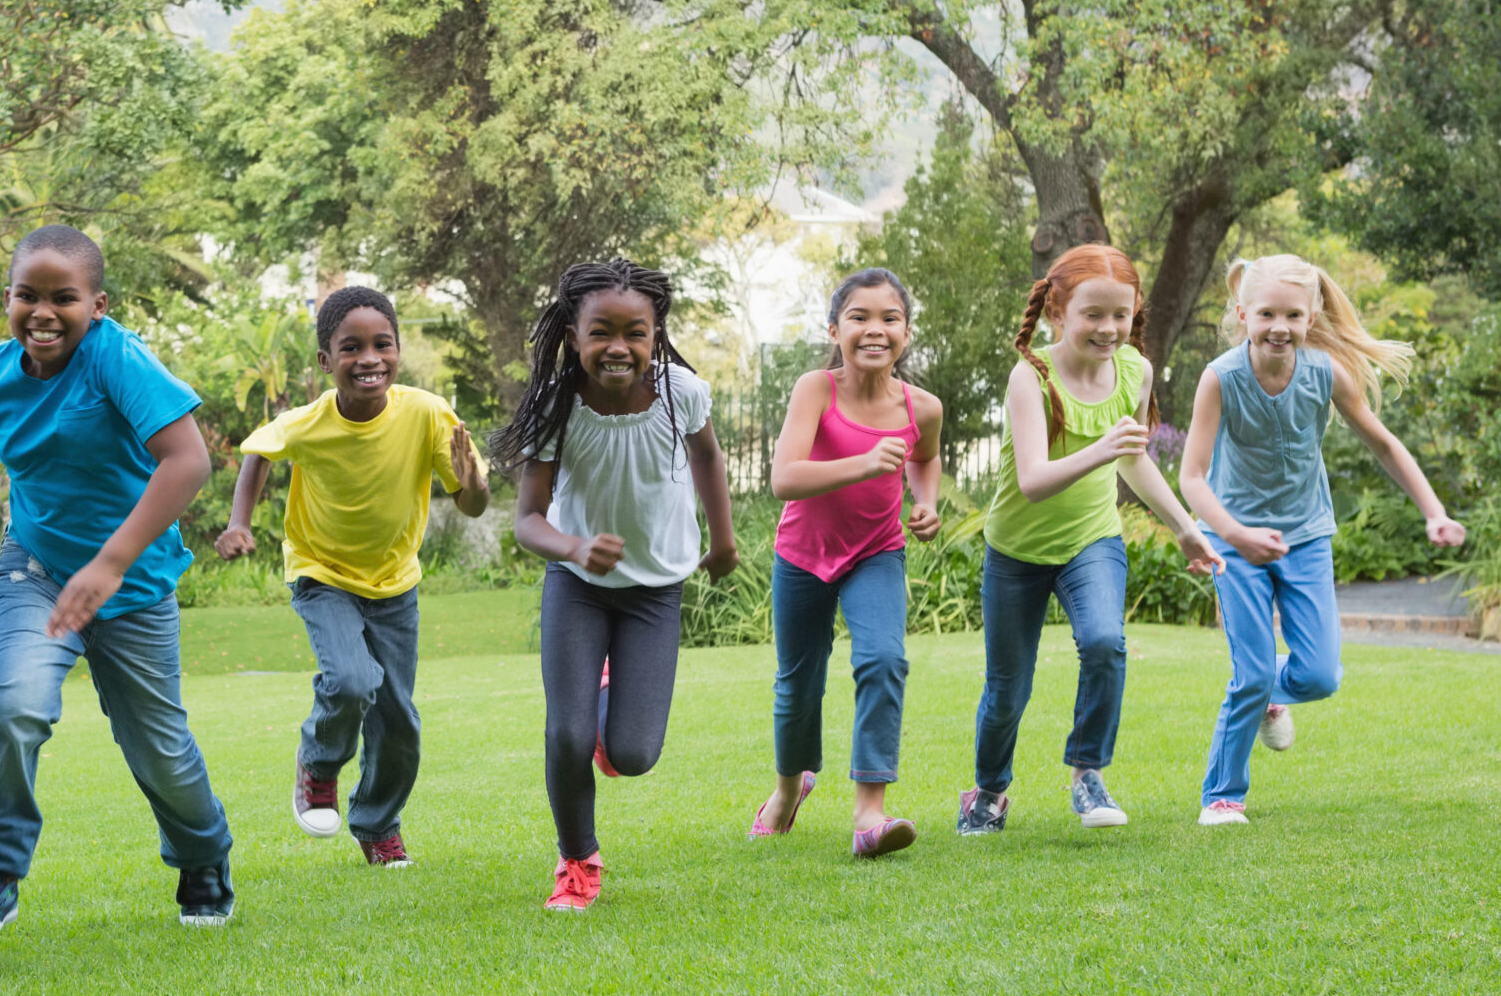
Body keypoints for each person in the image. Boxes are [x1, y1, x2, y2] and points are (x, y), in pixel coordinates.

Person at [0, 225, 237, 936]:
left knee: (158, 748)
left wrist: (111, 563)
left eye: (63, 298)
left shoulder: (115, 359)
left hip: (134, 584)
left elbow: (188, 460)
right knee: (14, 702)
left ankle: (203, 857)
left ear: (97, 305)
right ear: (6, 299)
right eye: (27, 296)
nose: (43, 312)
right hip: (35, 569)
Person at [1180, 255, 1466, 825]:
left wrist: (1433, 511)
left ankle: (1269, 693)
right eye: (1266, 313)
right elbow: (1192, 475)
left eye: (1293, 315)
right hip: (1232, 541)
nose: (1279, 326)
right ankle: (1223, 795)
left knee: (1319, 676)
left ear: (1311, 318)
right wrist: (1231, 534)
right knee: (1251, 672)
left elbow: (1384, 444)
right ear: (1243, 314)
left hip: (1306, 537)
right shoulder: (1220, 378)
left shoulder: (1325, 372)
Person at [218, 286, 490, 867]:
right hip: (322, 573)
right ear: (326, 360)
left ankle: (377, 824)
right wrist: (240, 523)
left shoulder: (427, 414)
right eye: (351, 348)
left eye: (382, 344)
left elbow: (471, 505)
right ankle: (318, 765)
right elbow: (259, 452)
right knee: (349, 680)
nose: (370, 358)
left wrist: (474, 485)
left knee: (398, 720)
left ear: (398, 350)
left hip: (395, 584)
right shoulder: (308, 421)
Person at [494, 259, 736, 912]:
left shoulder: (682, 392)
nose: (618, 347)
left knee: (632, 753)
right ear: (574, 335)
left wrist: (723, 540)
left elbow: (707, 456)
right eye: (601, 332)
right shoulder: (556, 404)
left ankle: (605, 698)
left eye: (636, 332)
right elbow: (527, 520)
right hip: (576, 584)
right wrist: (575, 546)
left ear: (656, 334)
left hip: (655, 590)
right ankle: (577, 861)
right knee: (567, 735)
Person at [959, 244, 1223, 838]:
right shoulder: (1031, 376)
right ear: (1058, 312)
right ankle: (989, 792)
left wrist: (1185, 529)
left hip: (1091, 540)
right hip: (1016, 551)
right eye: (1093, 314)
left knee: (1105, 641)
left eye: (1120, 315)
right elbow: (1033, 482)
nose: (1108, 328)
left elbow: (1134, 461)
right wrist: (1103, 448)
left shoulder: (1135, 371)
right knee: (1007, 690)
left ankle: (1087, 773)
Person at [751, 269, 946, 859]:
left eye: (890, 318)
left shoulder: (923, 407)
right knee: (798, 685)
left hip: (877, 552)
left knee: (884, 659)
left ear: (906, 333)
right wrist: (864, 463)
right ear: (835, 330)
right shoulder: (816, 389)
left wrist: (926, 501)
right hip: (803, 555)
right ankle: (788, 790)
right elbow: (784, 478)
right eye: (859, 317)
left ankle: (869, 816)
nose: (875, 329)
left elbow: (925, 458)